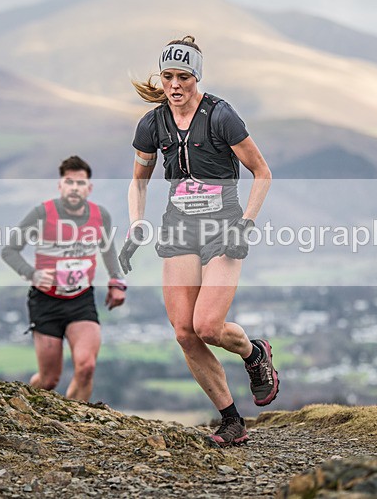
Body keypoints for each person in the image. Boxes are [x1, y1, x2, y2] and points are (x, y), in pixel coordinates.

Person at [119, 36, 278, 447]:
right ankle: (231, 420)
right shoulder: (152, 124)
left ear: (196, 77)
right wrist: (137, 222)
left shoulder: (221, 116)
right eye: (168, 76)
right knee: (185, 332)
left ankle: (254, 353)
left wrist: (246, 223)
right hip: (178, 228)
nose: (174, 85)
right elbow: (139, 183)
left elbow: (262, 173)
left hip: (223, 225)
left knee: (207, 325)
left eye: (183, 77)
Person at [1, 155, 126, 401]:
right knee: (48, 380)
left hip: (81, 300)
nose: (74, 188)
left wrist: (116, 282)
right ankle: (26, 410)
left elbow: (108, 249)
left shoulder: (100, 215)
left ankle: (76, 427)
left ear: (89, 188)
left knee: (86, 366)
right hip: (46, 301)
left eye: (80, 183)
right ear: (60, 186)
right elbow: (9, 250)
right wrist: (33, 274)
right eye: (69, 182)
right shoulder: (42, 213)